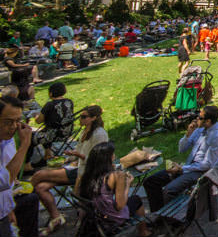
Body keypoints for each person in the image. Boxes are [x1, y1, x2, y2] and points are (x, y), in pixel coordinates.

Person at [33, 105, 108, 235]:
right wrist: (68, 158)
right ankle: (57, 217)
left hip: (86, 173)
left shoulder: (99, 134)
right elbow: (79, 151)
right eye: (80, 116)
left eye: (84, 117)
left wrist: (78, 156)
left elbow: (96, 160)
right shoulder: (85, 131)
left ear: (93, 118)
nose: (80, 119)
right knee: (41, 187)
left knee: (39, 174)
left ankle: (18, 202)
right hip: (76, 166)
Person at [142, 105, 218, 212]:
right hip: (188, 166)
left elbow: (207, 164)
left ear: (208, 121)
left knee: (169, 190)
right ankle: (158, 213)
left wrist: (182, 169)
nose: (196, 119)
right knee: (150, 182)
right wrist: (188, 134)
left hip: (200, 172)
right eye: (197, 116)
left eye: (200, 118)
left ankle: (170, 219)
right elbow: (181, 149)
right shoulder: (200, 128)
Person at [79, 141, 150, 236]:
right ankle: (144, 232)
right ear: (108, 158)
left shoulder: (88, 175)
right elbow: (119, 206)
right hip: (111, 219)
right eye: (113, 154)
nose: (115, 156)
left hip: (95, 216)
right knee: (136, 199)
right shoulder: (116, 176)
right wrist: (127, 184)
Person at [0, 96, 39, 237]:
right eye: (8, 122)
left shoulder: (6, 141)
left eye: (18, 121)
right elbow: (3, 181)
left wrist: (8, 208)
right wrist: (24, 146)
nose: (14, 127)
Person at [29, 82, 73, 167]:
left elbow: (38, 121)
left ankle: (27, 166)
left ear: (51, 93)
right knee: (46, 130)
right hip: (66, 132)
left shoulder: (49, 105)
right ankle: (48, 155)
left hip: (53, 135)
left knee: (29, 137)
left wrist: (35, 115)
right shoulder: (69, 102)